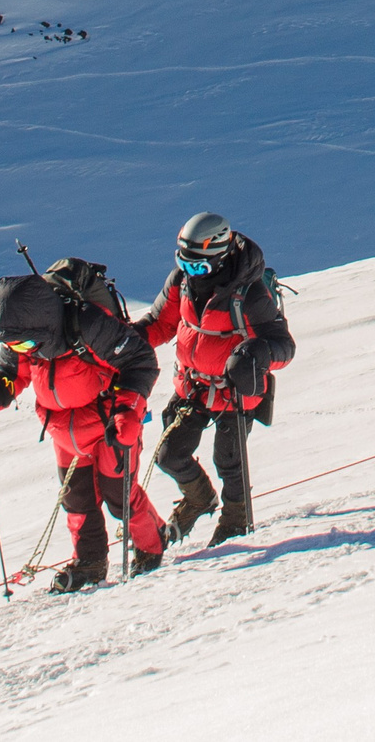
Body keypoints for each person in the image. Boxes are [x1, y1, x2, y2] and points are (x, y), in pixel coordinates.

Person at [0, 265, 169, 592]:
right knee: (77, 501)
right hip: (63, 431)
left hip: (110, 425)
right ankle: (89, 563)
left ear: (43, 325)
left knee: (120, 496)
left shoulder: (89, 324)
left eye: (24, 344)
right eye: (14, 345)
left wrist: (128, 410)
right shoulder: (22, 337)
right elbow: (9, 374)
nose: (21, 350)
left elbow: (139, 361)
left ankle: (152, 545)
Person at [142, 213, 294, 548]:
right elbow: (160, 323)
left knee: (229, 461)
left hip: (234, 391)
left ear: (219, 256)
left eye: (197, 266)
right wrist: (129, 342)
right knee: (169, 455)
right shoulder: (181, 282)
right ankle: (200, 498)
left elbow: (284, 346)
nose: (190, 272)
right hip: (192, 387)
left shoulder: (249, 294)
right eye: (183, 263)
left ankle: (236, 521)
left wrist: (257, 352)